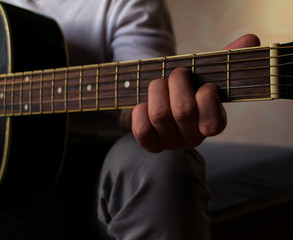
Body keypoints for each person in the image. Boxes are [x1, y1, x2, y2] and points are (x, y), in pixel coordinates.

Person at [0, 0, 260, 239]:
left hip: (99, 163)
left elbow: (137, 105)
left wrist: (154, 120)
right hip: (14, 170)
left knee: (163, 159)